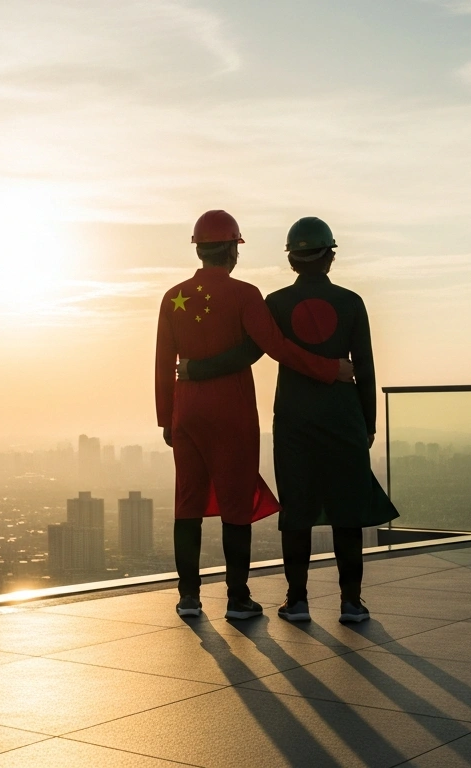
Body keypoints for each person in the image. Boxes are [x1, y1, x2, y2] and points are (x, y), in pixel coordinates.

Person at [181, 216, 398, 624]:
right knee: (347, 512)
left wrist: (195, 369)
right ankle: (351, 602)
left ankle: (297, 601)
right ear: (329, 257)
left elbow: (249, 353)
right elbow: (365, 367)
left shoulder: (276, 303)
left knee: (297, 510)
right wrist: (368, 422)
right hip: (344, 417)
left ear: (292, 260)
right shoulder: (352, 302)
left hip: (294, 421)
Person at [156, 210, 354, 620]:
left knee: (187, 504)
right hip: (232, 413)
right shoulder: (245, 295)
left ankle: (189, 597)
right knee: (236, 505)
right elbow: (276, 347)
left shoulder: (173, 296)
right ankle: (237, 599)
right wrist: (329, 369)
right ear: (233, 249)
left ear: (199, 249)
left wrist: (165, 418)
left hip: (186, 411)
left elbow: (163, 363)